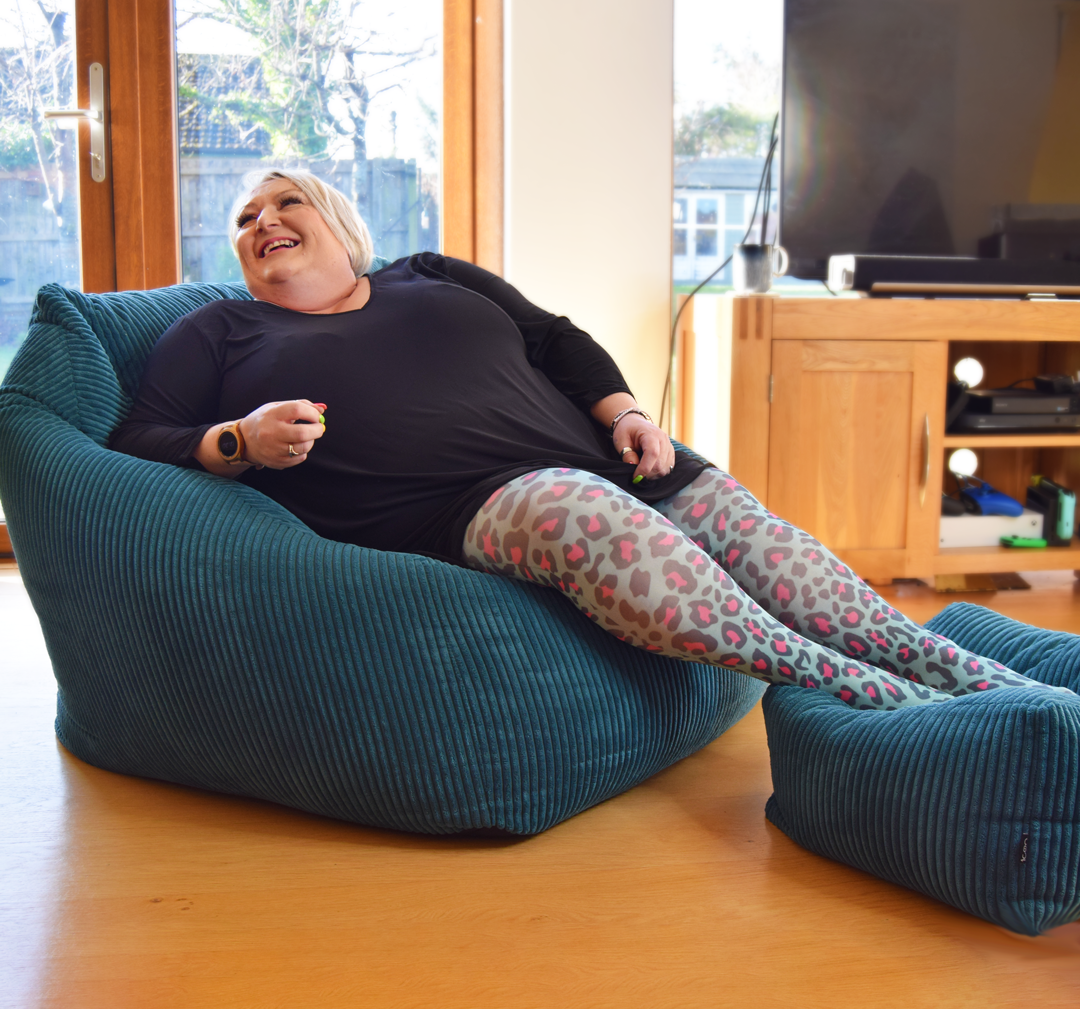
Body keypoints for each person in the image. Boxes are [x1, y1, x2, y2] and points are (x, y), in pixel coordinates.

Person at [110, 168, 1046, 711]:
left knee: (808, 574)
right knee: (584, 510)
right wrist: (235, 442)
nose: (262, 222)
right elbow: (134, 436)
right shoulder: (222, 333)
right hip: (479, 507)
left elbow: (555, 337)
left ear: (339, 226)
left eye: (285, 204)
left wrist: (630, 415)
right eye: (244, 221)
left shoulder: (427, 273)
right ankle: (883, 702)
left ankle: (1010, 695)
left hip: (618, 464)